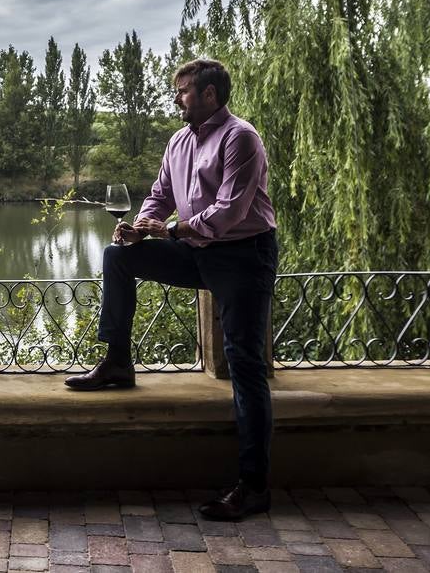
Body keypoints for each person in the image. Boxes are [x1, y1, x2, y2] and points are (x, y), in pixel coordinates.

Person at [64, 57, 278, 522]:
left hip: (243, 255)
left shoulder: (241, 137)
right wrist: (142, 225)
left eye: (182, 91)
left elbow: (230, 212)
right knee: (118, 255)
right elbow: (161, 194)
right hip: (194, 248)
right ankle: (118, 362)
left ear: (209, 94)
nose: (176, 98)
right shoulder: (179, 140)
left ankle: (254, 484)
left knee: (244, 362)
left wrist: (170, 232)